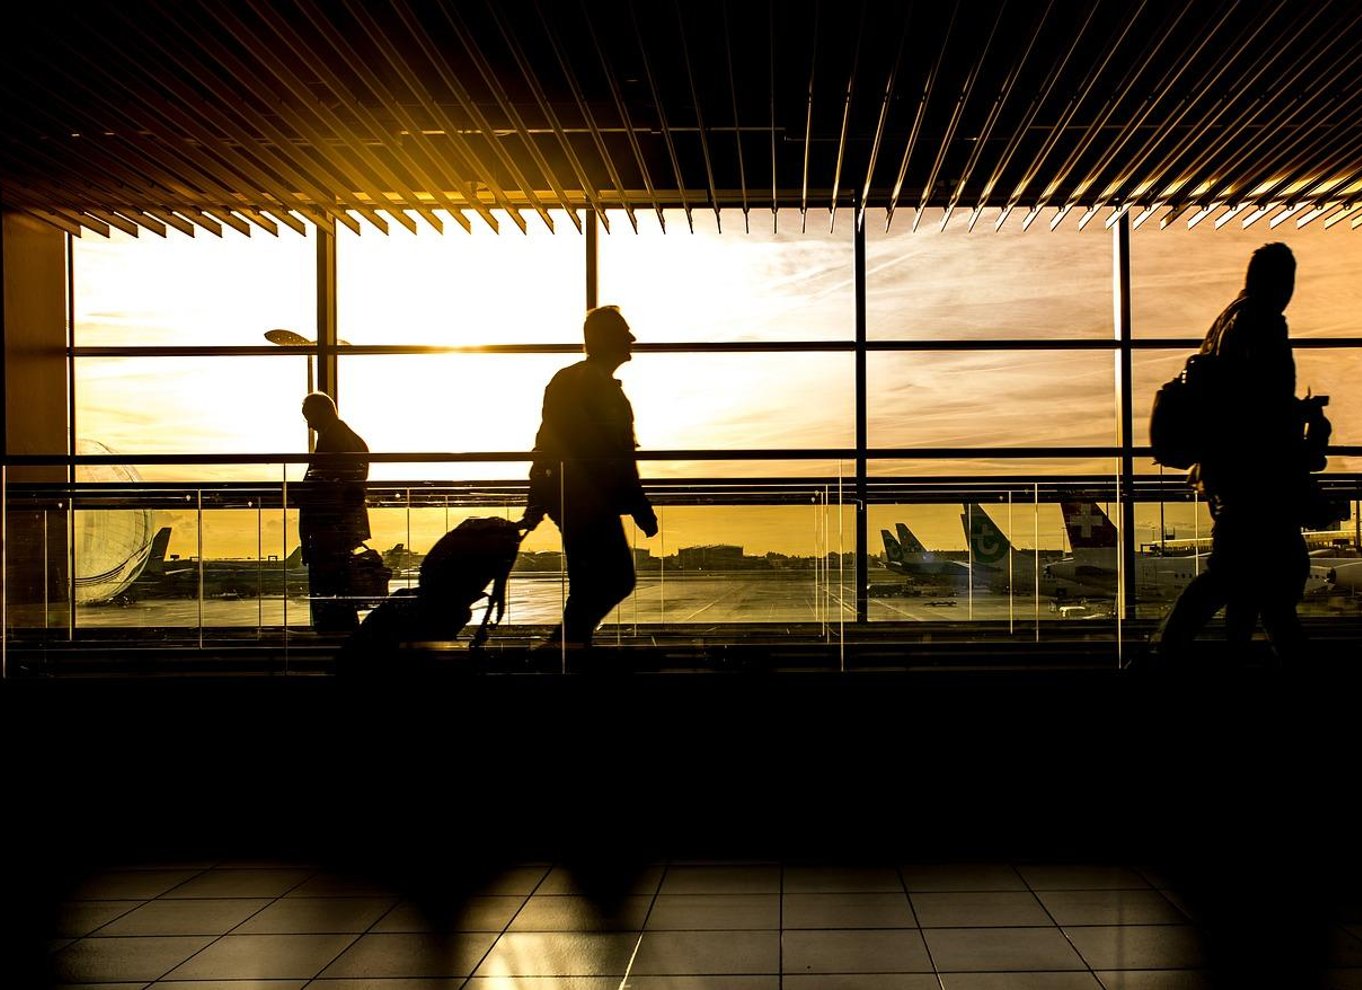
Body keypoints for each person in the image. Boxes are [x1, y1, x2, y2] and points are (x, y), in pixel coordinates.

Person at [1149, 242, 1318, 667]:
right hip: (1255, 476)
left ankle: (1180, 653)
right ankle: (1167, 653)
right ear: (1281, 281)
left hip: (1226, 472)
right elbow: (1261, 406)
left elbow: (1238, 401)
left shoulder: (1225, 322)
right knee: (1251, 578)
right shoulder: (1263, 322)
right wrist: (1298, 419)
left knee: (1245, 577)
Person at [523, 305, 658, 653]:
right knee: (616, 579)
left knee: (594, 581)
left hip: (573, 496)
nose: (632, 338)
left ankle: (568, 647)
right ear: (606, 339)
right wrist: (639, 505)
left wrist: (537, 497)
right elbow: (615, 454)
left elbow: (547, 442)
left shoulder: (572, 380)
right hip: (587, 498)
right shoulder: (595, 385)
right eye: (624, 333)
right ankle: (565, 647)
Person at [296, 392, 370, 633]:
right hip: (342, 528)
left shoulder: (332, 441)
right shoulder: (353, 440)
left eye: (309, 417)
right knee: (341, 594)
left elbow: (321, 489)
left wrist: (308, 531)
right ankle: (343, 639)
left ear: (324, 412)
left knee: (327, 594)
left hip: (327, 528)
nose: (309, 424)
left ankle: (332, 640)